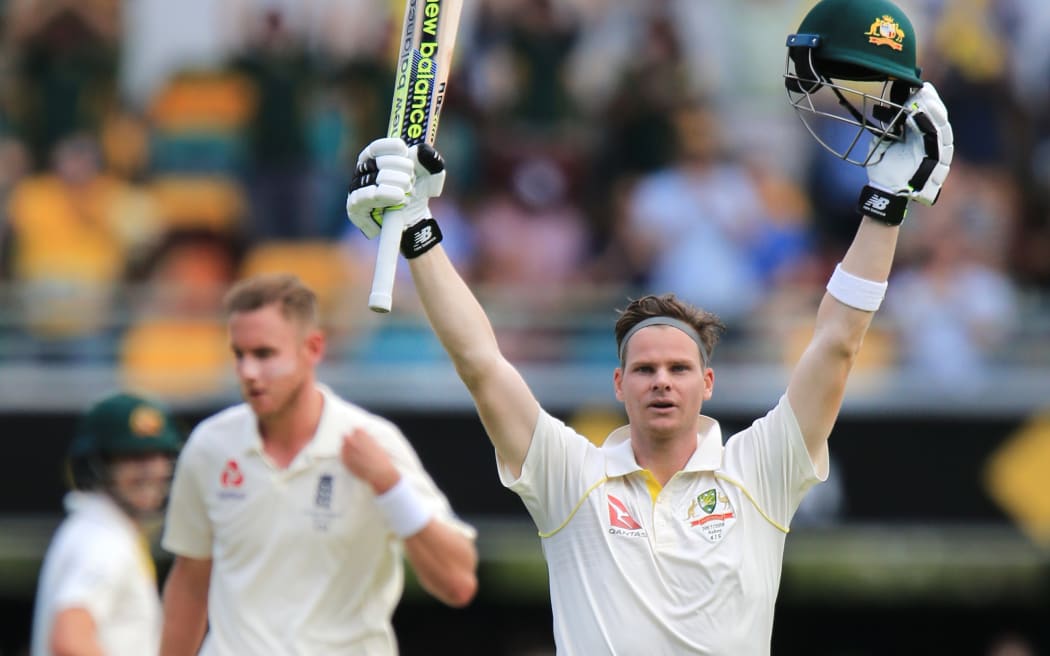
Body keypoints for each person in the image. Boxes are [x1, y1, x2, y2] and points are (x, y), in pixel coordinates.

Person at [346, 0, 953, 652]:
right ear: (618, 384)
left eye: (677, 369)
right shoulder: (571, 477)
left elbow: (836, 343)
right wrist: (419, 235)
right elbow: (481, 363)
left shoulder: (760, 470)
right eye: (646, 369)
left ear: (708, 382)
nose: (662, 382)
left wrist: (886, 207)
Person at [159, 272, 477, 655]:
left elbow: (458, 583)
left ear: (312, 348)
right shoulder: (210, 446)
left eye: (264, 354)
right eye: (238, 355)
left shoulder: (373, 443)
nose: (248, 372)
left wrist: (389, 485)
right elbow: (191, 581)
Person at [31, 392, 183, 656]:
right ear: (97, 464)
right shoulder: (103, 541)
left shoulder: (98, 530)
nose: (151, 471)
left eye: (158, 456)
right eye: (133, 458)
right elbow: (69, 640)